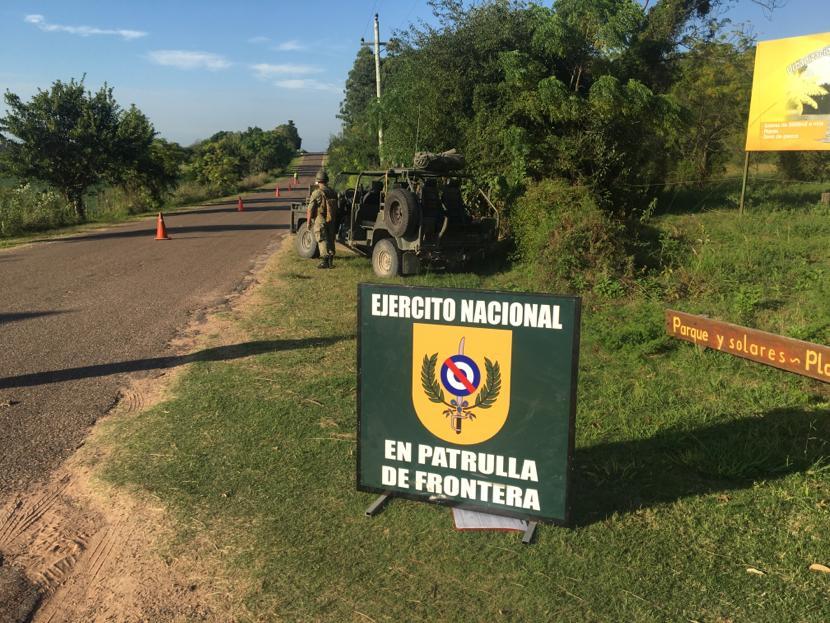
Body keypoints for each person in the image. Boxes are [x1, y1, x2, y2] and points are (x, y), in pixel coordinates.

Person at [306, 169, 338, 268]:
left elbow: (310, 209)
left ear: (318, 180)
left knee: (321, 238)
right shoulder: (333, 192)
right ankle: (330, 261)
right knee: (331, 238)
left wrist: (308, 223)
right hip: (331, 218)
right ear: (326, 180)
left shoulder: (316, 193)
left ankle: (324, 260)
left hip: (320, 218)